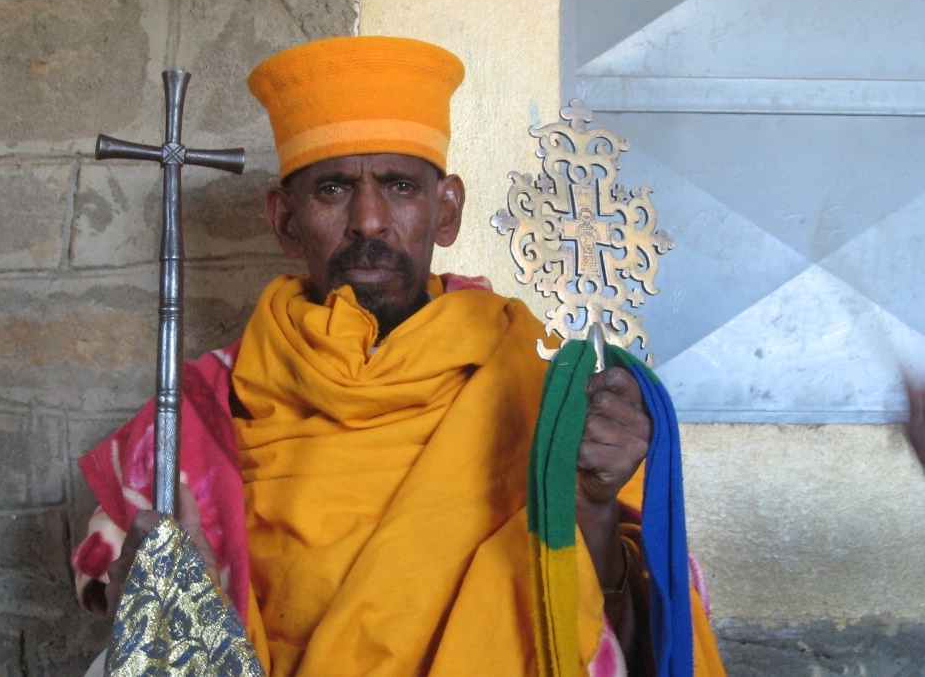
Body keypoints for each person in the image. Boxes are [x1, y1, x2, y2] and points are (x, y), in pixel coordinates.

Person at [71, 35, 724, 675]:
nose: (369, 220)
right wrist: (157, 600)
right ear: (285, 220)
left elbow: (634, 638)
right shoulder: (207, 409)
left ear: (447, 211)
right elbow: (147, 630)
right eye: (331, 189)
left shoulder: (542, 391)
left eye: (400, 187)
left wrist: (589, 506)